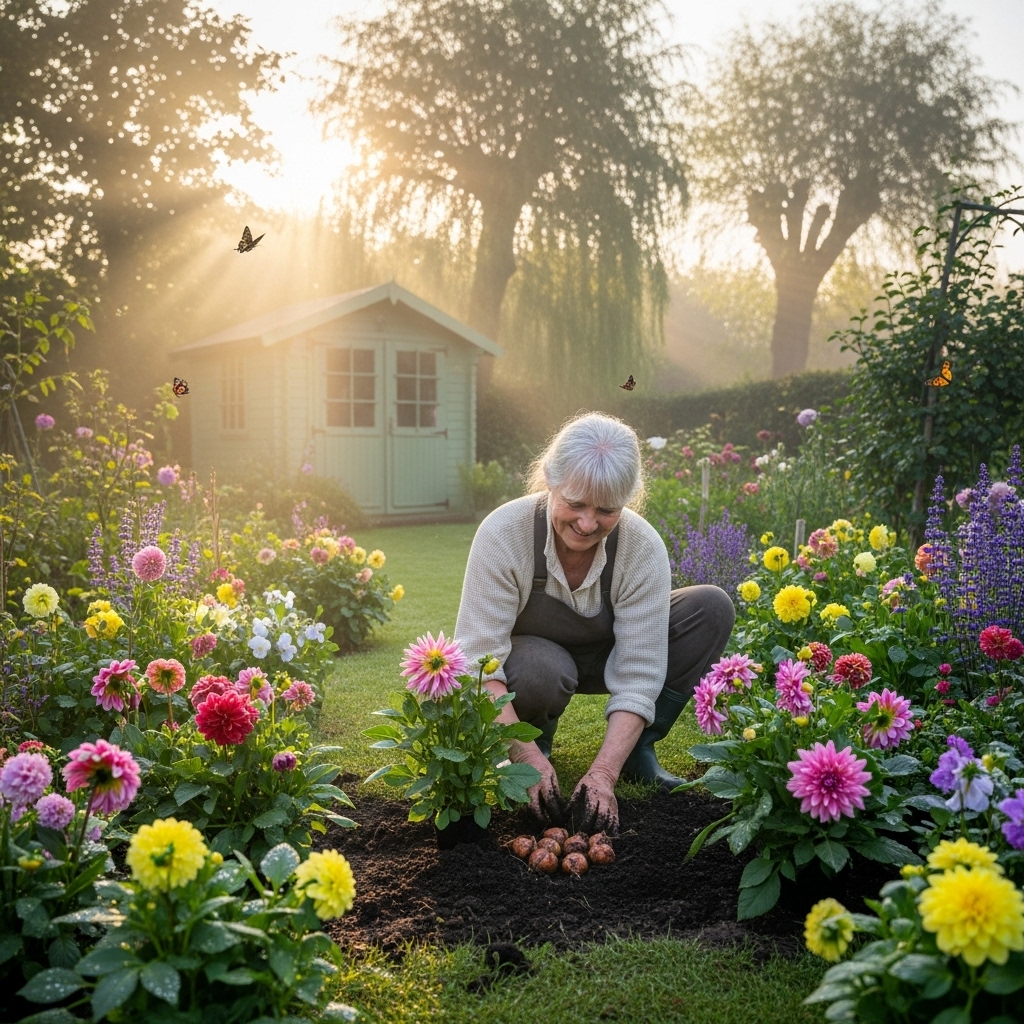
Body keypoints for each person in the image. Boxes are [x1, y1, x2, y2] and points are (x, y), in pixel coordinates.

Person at [454, 412, 735, 834]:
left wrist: (604, 773)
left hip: (611, 653)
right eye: (575, 503)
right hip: (536, 663)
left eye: (606, 510)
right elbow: (479, 663)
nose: (587, 524)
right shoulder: (503, 534)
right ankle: (533, 749)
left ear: (628, 499)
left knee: (711, 607)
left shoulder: (641, 547)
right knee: (541, 666)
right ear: (551, 480)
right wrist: (524, 757)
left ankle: (636, 752)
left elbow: (640, 671)